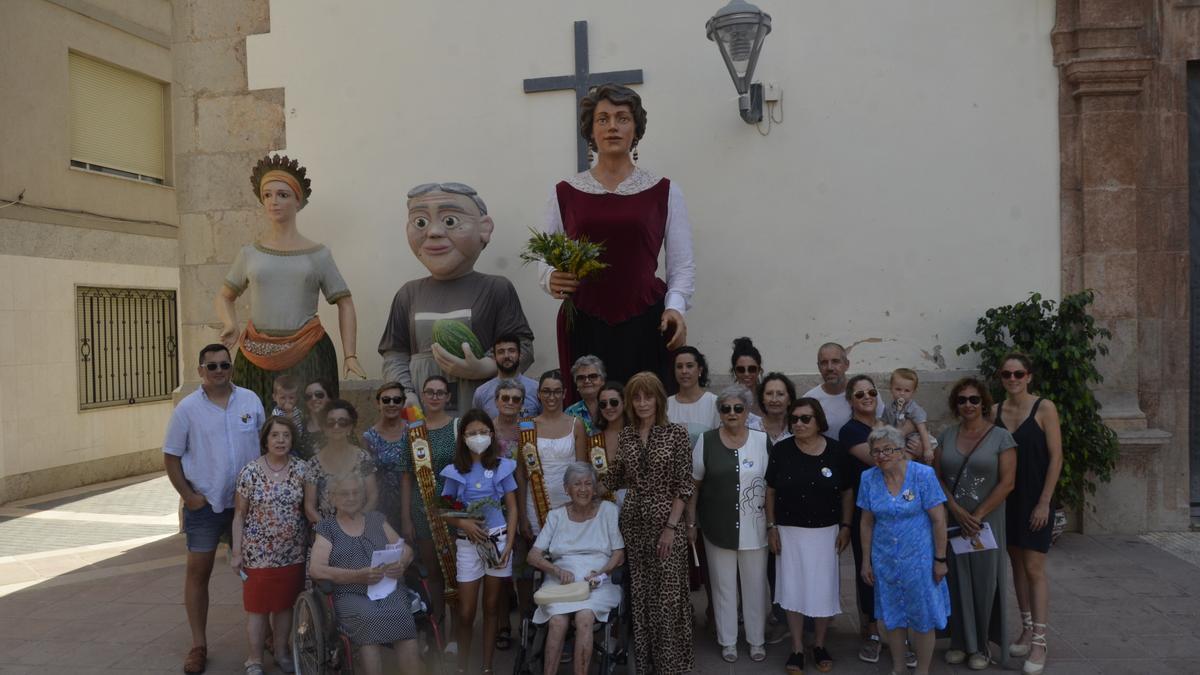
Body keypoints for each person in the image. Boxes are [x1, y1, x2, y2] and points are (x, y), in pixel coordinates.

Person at [540, 84, 695, 396]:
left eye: (622, 118)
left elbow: (682, 265)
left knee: (646, 411)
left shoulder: (664, 191)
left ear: (635, 129)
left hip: (647, 320)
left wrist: (675, 308)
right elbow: (544, 257)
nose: (612, 126)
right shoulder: (564, 193)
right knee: (590, 413)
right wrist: (549, 278)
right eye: (603, 119)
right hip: (583, 320)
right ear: (590, 130)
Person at [215, 155, 366, 410]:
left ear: (298, 200)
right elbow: (224, 295)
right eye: (268, 195)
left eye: (283, 195)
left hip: (308, 353)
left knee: (312, 428)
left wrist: (350, 354)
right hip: (255, 355)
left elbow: (345, 301)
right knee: (257, 426)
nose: (274, 202)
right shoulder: (249, 254)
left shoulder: (318, 255)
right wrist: (230, 323)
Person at [379, 182, 535, 413]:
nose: (433, 232)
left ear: (484, 228)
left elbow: (523, 346)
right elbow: (395, 353)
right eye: (420, 222)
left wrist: (485, 367)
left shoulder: (496, 289)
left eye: (450, 221)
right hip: (422, 405)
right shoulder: (408, 294)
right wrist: (406, 392)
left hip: (478, 403)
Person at [163, 344, 267, 674]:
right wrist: (189, 496)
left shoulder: (250, 400)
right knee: (198, 573)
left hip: (249, 504)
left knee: (259, 574)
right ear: (200, 371)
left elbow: (266, 444)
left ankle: (268, 636)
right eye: (212, 366)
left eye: (224, 365)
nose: (219, 370)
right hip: (205, 504)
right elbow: (171, 456)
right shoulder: (187, 410)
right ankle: (198, 645)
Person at [601, 372, 695, 675]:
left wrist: (670, 527)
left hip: (668, 525)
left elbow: (684, 484)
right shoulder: (626, 435)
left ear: (659, 399)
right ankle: (646, 665)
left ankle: (673, 665)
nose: (642, 403)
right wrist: (582, 483)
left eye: (648, 396)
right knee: (641, 597)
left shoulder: (676, 433)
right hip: (634, 524)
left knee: (668, 598)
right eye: (636, 397)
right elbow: (615, 477)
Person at [765, 398, 854, 674]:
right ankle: (797, 648)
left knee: (822, 590)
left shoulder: (837, 451)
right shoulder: (782, 450)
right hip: (790, 532)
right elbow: (770, 490)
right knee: (793, 590)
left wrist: (846, 526)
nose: (799, 423)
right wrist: (772, 527)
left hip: (826, 532)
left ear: (819, 421)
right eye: (795, 419)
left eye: (805, 418)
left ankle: (819, 644)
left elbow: (847, 491)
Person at [934, 377, 1017, 670]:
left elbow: (1008, 483)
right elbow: (937, 477)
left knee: (984, 582)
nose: (968, 405)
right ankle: (959, 640)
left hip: (987, 522)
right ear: (955, 405)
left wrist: (978, 516)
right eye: (962, 400)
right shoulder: (946, 435)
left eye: (974, 399)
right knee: (955, 580)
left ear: (983, 402)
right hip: (955, 520)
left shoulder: (1001, 438)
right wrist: (955, 509)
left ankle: (981, 645)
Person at [686, 385, 770, 663]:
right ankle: (728, 641)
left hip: (755, 525)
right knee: (723, 586)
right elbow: (694, 485)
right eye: (726, 408)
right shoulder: (706, 441)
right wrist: (690, 522)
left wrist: (774, 523)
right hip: (716, 525)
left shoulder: (762, 440)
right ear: (719, 412)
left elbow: (772, 487)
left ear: (747, 411)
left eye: (738, 408)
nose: (732, 413)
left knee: (755, 585)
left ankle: (756, 640)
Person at [858, 426, 951, 675]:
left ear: (900, 451)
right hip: (885, 559)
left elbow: (939, 520)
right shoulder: (868, 478)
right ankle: (898, 668)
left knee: (922, 618)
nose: (881, 455)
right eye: (876, 451)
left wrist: (940, 559)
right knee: (893, 617)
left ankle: (922, 671)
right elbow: (866, 522)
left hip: (920, 560)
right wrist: (866, 561)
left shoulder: (923, 475)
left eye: (888, 449)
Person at [309, 473, 420, 675]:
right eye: (344, 493)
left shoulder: (376, 519)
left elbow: (406, 550)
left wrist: (401, 564)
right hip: (350, 593)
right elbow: (316, 569)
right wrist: (356, 576)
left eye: (356, 492)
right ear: (332, 497)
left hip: (385, 589)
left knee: (402, 614)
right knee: (368, 618)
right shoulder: (327, 528)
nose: (351, 498)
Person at [994, 354, 1062, 675]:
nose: (1013, 378)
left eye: (1019, 373)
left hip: (1036, 499)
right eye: (1007, 374)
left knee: (1034, 568)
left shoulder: (1045, 408)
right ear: (1001, 377)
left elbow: (1056, 458)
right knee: (1017, 564)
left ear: (1029, 376)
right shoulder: (995, 411)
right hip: (1006, 501)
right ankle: (1025, 626)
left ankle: (1040, 640)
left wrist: (1045, 502)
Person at [440, 409, 520, 675]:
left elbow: (512, 505)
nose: (478, 437)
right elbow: (443, 509)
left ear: (492, 434)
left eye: (483, 432)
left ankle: (487, 667)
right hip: (467, 544)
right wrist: (463, 524)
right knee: (465, 612)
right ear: (463, 437)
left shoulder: (501, 465)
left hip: (496, 540)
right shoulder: (454, 471)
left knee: (492, 607)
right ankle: (463, 667)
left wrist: (508, 542)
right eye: (472, 433)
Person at [527, 462, 626, 675]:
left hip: (597, 581)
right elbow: (533, 555)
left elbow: (619, 553)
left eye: (588, 483)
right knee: (557, 621)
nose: (583, 489)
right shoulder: (556, 516)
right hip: (561, 582)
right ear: (566, 489)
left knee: (584, 617)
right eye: (577, 484)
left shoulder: (608, 511)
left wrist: (602, 573)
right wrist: (554, 570)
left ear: (595, 487)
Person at [230, 415, 308, 675]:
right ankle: (254, 659)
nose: (281, 440)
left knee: (284, 606)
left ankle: (283, 653)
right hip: (258, 554)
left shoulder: (301, 469)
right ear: (265, 439)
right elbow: (239, 515)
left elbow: (308, 510)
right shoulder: (250, 471)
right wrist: (237, 552)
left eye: (286, 435)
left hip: (292, 553)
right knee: (257, 609)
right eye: (275, 435)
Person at [396, 375, 459, 622]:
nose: (434, 397)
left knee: (454, 572)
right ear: (422, 396)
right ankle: (438, 623)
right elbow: (406, 476)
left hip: (453, 511)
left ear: (448, 397)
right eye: (430, 392)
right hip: (422, 512)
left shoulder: (458, 427)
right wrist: (406, 518)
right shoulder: (413, 431)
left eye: (440, 392)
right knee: (433, 572)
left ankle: (457, 630)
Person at [838, 375, 887, 663]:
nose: (867, 397)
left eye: (871, 392)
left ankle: (898, 631)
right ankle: (871, 631)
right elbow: (881, 458)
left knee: (895, 570)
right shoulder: (850, 431)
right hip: (864, 512)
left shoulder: (887, 424)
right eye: (859, 394)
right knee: (868, 569)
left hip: (895, 512)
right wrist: (903, 449)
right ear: (850, 400)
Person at [304, 400, 377, 523]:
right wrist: (332, 531)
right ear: (324, 428)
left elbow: (373, 496)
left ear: (350, 427)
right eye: (330, 422)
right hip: (327, 534)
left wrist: (356, 524)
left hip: (360, 528)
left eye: (342, 422)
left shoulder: (363, 457)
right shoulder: (313, 464)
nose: (336, 427)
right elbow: (309, 507)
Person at [802, 343, 882, 439]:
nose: (830, 368)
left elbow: (881, 421)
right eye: (824, 363)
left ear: (846, 364)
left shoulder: (867, 393)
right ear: (818, 367)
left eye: (835, 361)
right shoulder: (810, 400)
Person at [362, 382, 408, 532]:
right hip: (381, 505)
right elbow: (366, 474)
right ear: (378, 404)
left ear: (403, 403)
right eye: (386, 400)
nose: (392, 404)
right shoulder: (369, 437)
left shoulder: (414, 432)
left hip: (411, 505)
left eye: (397, 400)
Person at [472, 333, 542, 418]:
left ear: (520, 355)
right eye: (501, 352)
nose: (506, 356)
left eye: (511, 351)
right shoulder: (481, 393)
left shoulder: (536, 389)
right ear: (494, 357)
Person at [667, 346, 719, 447]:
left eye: (689, 366)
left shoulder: (714, 403)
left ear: (700, 370)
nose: (684, 371)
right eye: (679, 366)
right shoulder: (666, 404)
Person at [881, 368, 934, 463]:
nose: (902, 393)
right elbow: (883, 423)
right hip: (898, 440)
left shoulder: (914, 409)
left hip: (913, 441)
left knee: (904, 461)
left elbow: (923, 431)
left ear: (913, 392)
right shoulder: (889, 408)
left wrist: (927, 450)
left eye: (907, 390)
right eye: (898, 389)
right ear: (891, 389)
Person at [593, 381, 627, 504]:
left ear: (624, 402)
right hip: (603, 505)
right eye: (603, 404)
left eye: (614, 402)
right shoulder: (594, 439)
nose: (608, 407)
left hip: (635, 504)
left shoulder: (638, 434)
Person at [564, 355, 606, 434]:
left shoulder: (613, 406)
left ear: (602, 381)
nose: (586, 381)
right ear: (576, 384)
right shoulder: (569, 413)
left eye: (592, 376)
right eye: (581, 377)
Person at [269, 375, 306, 458]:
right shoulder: (277, 414)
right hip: (285, 447)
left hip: (298, 445)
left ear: (296, 398)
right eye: (283, 398)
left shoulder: (297, 411)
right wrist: (289, 414)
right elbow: (284, 427)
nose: (287, 401)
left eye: (291, 398)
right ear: (274, 397)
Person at [730, 337, 765, 418]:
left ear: (759, 370)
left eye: (751, 369)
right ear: (734, 371)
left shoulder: (768, 396)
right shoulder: (728, 399)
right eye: (741, 369)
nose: (746, 374)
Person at [758, 372, 797, 444]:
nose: (774, 399)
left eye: (780, 394)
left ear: (789, 400)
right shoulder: (751, 429)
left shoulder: (798, 428)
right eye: (769, 393)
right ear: (762, 399)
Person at [299, 378, 332, 458]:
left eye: (319, 395)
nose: (313, 399)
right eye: (308, 396)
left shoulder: (340, 423)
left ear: (329, 398)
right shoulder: (299, 427)